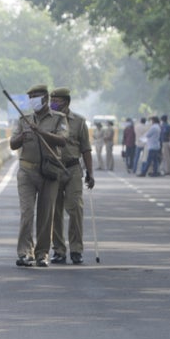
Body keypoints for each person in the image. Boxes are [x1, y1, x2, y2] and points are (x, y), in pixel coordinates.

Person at [9, 84, 68, 268]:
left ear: (45, 99)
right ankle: (24, 252)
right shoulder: (23, 119)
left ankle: (42, 253)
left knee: (46, 215)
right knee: (27, 212)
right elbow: (12, 144)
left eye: (36, 96)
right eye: (31, 96)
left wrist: (40, 132)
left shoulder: (59, 119)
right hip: (27, 171)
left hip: (49, 171)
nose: (33, 99)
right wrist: (23, 136)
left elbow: (63, 140)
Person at [49, 88, 95, 265]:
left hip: (73, 169)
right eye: (51, 99)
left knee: (75, 208)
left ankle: (76, 249)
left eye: (57, 100)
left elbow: (86, 149)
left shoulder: (79, 122)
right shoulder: (49, 120)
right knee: (55, 211)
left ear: (66, 102)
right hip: (53, 169)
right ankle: (59, 250)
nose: (53, 103)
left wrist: (90, 173)